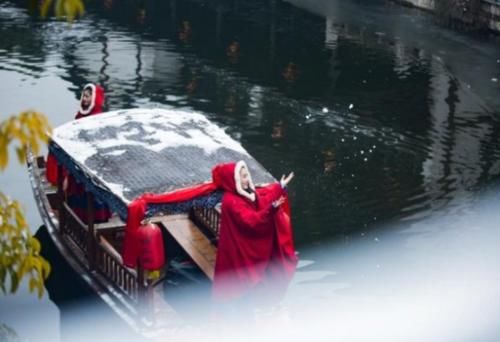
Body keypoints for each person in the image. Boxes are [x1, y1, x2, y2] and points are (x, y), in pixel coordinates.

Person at [212, 160, 297, 309]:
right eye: (243, 177)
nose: (247, 179)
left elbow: (262, 202)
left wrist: (279, 188)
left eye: (247, 175)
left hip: (237, 248)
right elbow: (251, 221)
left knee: (241, 290)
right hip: (237, 252)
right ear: (235, 180)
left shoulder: (244, 195)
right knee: (237, 290)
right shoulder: (232, 202)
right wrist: (271, 209)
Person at [46, 83, 111, 223]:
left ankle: (98, 220)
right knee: (78, 192)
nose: (85, 99)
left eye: (88, 97)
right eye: (84, 96)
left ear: (94, 99)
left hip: (92, 164)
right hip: (78, 161)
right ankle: (80, 219)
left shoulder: (98, 118)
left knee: (94, 193)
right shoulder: (79, 115)